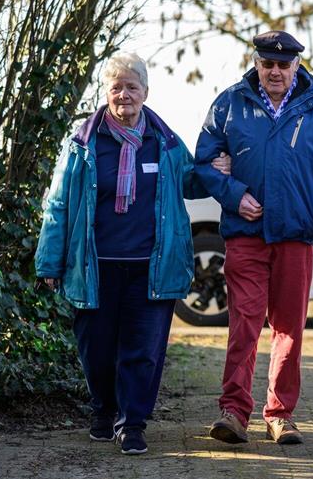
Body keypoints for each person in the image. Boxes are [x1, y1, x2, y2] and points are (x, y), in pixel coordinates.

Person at [35, 52, 206, 455]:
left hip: (151, 266)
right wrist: (50, 260)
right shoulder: (82, 144)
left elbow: (193, 182)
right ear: (106, 93)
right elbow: (57, 204)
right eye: (117, 87)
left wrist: (225, 166)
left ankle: (132, 424)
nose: (124, 94)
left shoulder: (165, 143)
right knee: (96, 349)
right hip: (94, 266)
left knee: (143, 349)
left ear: (146, 92)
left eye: (132, 87)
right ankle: (103, 409)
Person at [195, 30, 313, 446]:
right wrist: (234, 195)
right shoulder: (230, 103)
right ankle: (234, 411)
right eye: (267, 63)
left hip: (297, 232)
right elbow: (205, 162)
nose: (275, 71)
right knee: (244, 323)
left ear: (297, 66)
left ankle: (280, 414)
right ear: (256, 63)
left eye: (283, 65)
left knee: (288, 327)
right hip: (246, 233)